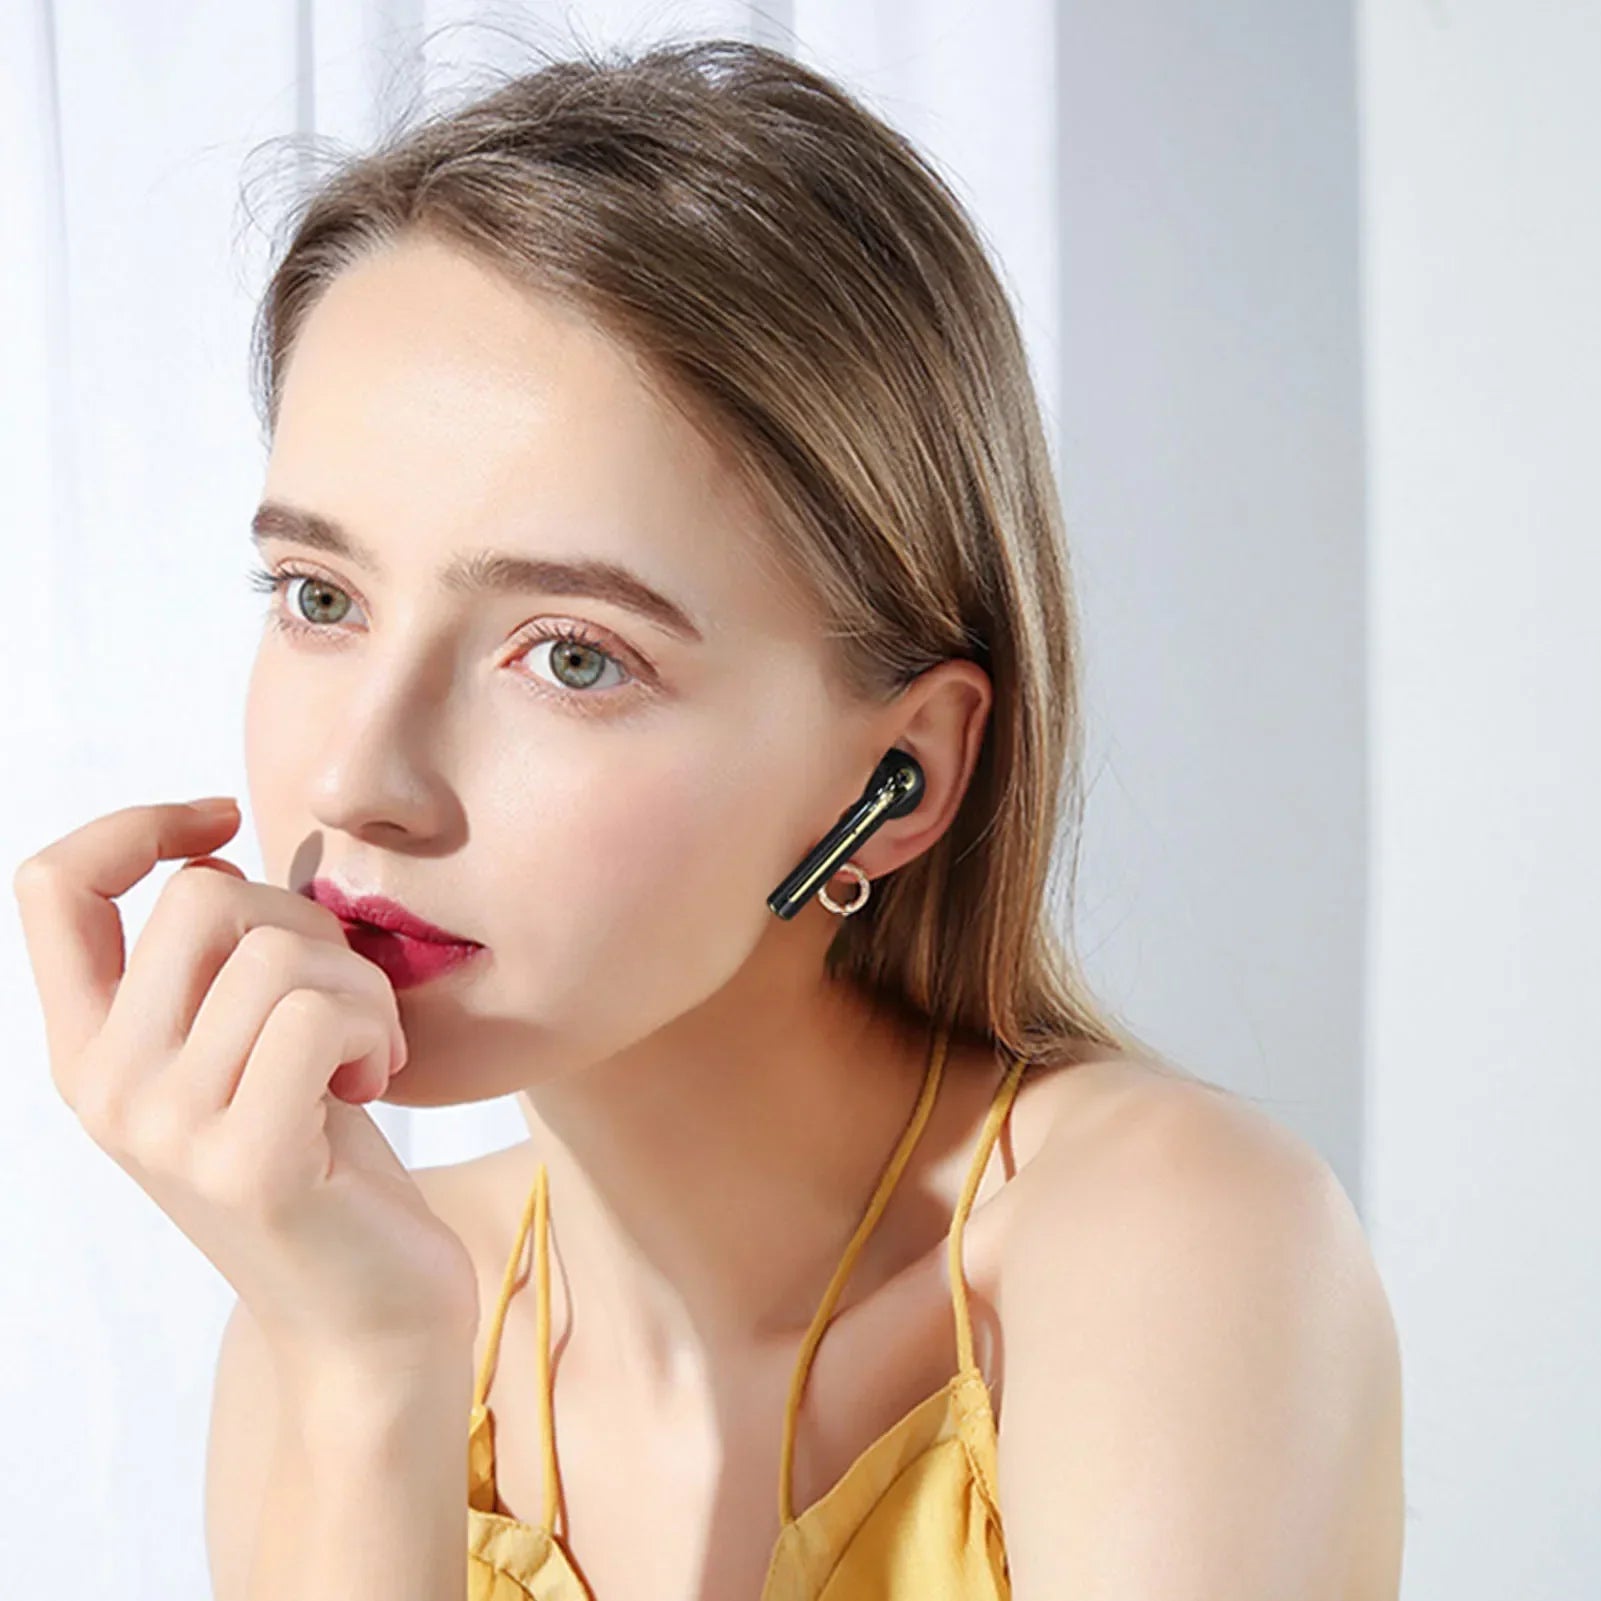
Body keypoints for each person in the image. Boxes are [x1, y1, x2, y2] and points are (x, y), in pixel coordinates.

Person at [12, 35, 1403, 1601]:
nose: (356, 781)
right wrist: (366, 1372)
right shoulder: (334, 1293)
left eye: (573, 656)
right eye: (319, 596)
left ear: (896, 777)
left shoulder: (1162, 1243)